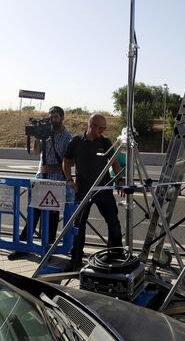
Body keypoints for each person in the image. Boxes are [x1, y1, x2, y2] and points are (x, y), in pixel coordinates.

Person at [8, 106, 72, 260]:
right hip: (40, 178)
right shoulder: (46, 132)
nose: (52, 120)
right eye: (50, 117)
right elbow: (37, 152)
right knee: (33, 212)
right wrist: (37, 136)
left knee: (51, 216)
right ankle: (23, 247)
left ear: (62, 118)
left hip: (56, 180)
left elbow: (69, 162)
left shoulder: (67, 137)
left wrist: (50, 167)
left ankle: (47, 250)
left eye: (55, 117)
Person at [63, 113, 125, 270]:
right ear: (91, 125)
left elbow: (115, 163)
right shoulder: (76, 142)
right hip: (83, 191)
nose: (103, 130)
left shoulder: (105, 142)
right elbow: (66, 162)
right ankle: (75, 258)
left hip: (102, 190)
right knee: (79, 226)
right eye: (101, 127)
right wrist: (70, 180)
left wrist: (120, 180)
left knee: (113, 222)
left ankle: (116, 256)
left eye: (105, 128)